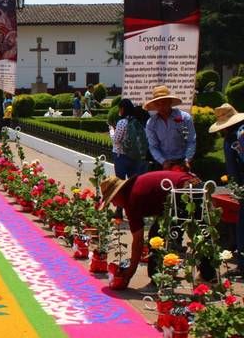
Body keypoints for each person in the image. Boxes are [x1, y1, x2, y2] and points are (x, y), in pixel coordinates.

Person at [98, 171, 215, 288]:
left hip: (183, 191)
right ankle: (208, 275)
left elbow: (138, 241)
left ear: (118, 193)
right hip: (196, 185)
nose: (114, 204)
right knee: (202, 233)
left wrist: (129, 273)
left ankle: (158, 280)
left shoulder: (132, 200)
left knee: (156, 237)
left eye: (112, 200)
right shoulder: (135, 188)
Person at [208, 103, 244, 275]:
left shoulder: (232, 139)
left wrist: (236, 189)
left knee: (242, 225)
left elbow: (232, 169)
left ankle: (243, 265)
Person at [144, 85, 196, 171]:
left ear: (170, 102)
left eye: (164, 103)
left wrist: (187, 159)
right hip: (163, 163)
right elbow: (153, 146)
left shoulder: (184, 118)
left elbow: (190, 140)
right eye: (158, 104)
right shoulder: (151, 123)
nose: (161, 107)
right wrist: (163, 161)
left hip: (182, 161)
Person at [109, 99, 149, 180]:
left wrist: (111, 131)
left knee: (120, 181)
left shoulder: (122, 122)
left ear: (122, 109)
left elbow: (116, 140)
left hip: (121, 155)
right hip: (135, 154)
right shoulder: (137, 121)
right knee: (133, 180)